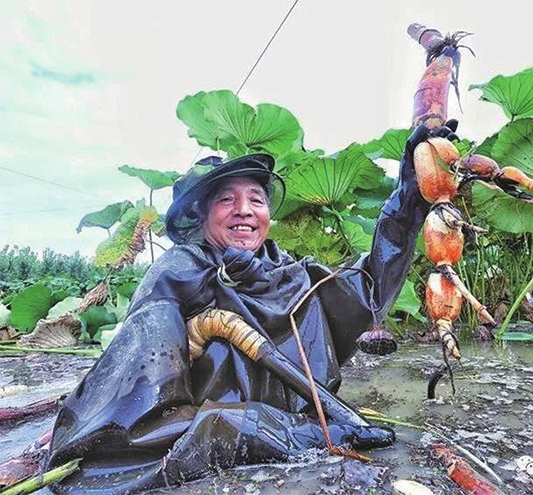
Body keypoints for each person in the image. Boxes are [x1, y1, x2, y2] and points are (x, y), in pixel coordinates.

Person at [46, 124, 445, 493]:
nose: (245, 210)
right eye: (226, 200)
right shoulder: (176, 275)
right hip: (266, 438)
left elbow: (369, 290)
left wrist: (409, 199)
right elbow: (126, 432)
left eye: (256, 199)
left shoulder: (295, 275)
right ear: (201, 218)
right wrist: (299, 433)